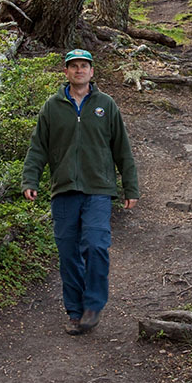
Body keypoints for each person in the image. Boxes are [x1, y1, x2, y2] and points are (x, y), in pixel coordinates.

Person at [22, 48, 139, 335]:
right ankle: (75, 312)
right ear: (65, 72)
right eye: (73, 66)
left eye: (84, 66)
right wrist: (30, 180)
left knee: (96, 245)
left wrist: (130, 186)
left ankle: (93, 305)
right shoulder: (52, 107)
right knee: (68, 253)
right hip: (63, 190)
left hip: (98, 189)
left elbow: (122, 148)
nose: (79, 70)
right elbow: (38, 147)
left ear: (92, 71)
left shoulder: (106, 105)